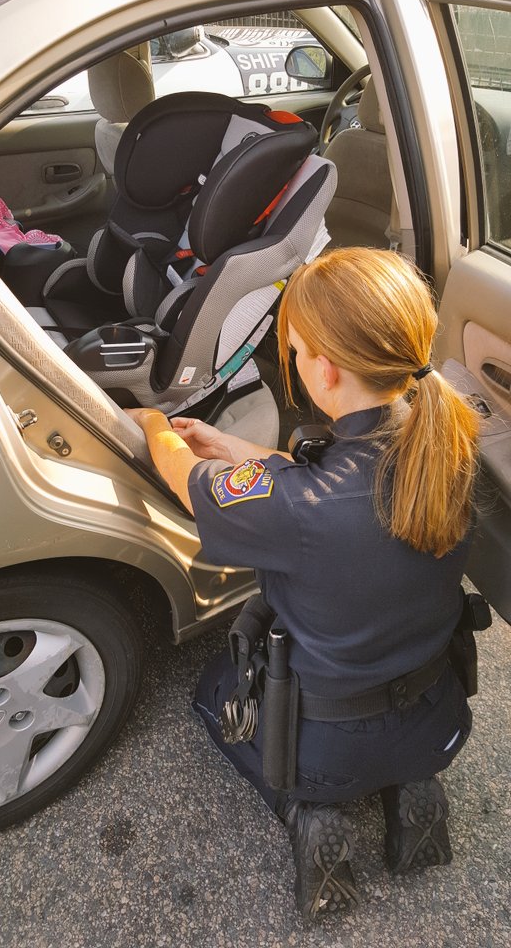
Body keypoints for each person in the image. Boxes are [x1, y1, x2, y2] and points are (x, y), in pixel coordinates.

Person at [125, 247, 480, 921]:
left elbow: (180, 473)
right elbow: (323, 485)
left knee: (212, 696)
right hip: (439, 715)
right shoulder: (450, 439)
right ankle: (414, 787)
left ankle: (310, 815)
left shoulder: (296, 505)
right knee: (396, 716)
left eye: (290, 351)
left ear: (321, 366)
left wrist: (147, 420)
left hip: (328, 754)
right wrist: (237, 450)